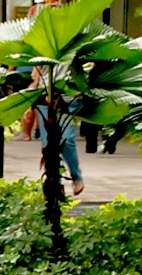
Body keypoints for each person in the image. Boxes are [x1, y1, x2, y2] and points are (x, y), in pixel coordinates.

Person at [31, 66, 84, 196]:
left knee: (67, 139)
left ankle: (76, 176)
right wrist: (33, 89)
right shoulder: (43, 47)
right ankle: (54, 183)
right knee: (48, 144)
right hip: (45, 95)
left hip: (69, 94)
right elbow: (37, 69)